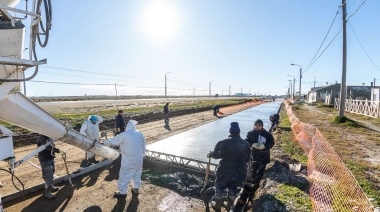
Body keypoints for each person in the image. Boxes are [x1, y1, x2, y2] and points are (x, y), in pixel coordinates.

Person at [207, 122, 251, 212]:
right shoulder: (246, 144)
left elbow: (217, 155)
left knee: (219, 188)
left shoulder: (223, 142)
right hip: (239, 172)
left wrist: (210, 154)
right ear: (239, 132)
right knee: (233, 190)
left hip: (224, 171)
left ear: (230, 132)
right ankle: (229, 207)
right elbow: (248, 159)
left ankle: (217, 207)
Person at [103, 120, 146, 197]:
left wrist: (104, 142)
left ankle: (122, 192)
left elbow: (113, 141)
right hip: (139, 158)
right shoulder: (139, 133)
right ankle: (136, 188)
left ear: (127, 126)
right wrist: (142, 155)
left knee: (125, 174)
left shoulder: (124, 135)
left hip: (129, 159)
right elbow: (143, 145)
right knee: (137, 173)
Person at [245, 119, 275, 186]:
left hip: (264, 156)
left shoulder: (267, 134)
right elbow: (246, 141)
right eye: (256, 125)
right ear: (254, 125)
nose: (258, 126)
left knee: (261, 170)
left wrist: (264, 146)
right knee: (252, 169)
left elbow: (272, 143)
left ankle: (257, 184)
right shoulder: (250, 133)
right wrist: (252, 144)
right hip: (253, 155)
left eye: (259, 125)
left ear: (262, 126)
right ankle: (250, 183)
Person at [37, 134, 62, 199]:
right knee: (48, 175)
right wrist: (58, 150)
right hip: (45, 158)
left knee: (52, 172)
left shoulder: (48, 136)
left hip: (50, 157)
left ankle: (51, 186)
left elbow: (52, 145)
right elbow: (48, 147)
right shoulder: (42, 137)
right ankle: (47, 193)